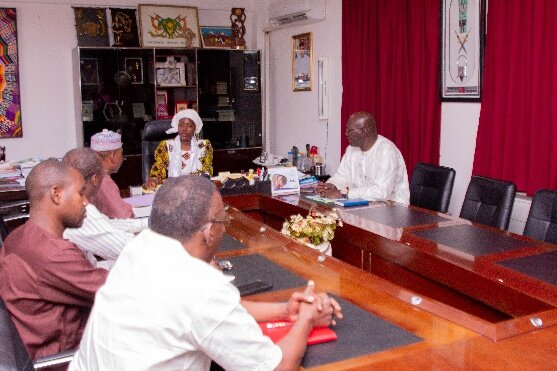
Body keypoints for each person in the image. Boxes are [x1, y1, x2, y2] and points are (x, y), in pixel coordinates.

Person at [70, 175, 342, 370]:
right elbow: (278, 366)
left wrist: (286, 311)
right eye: (223, 222)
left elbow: (213, 312)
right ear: (211, 231)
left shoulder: (139, 248)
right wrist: (306, 319)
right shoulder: (201, 286)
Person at [0, 159, 108, 360]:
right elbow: (118, 290)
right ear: (56, 194)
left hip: (40, 349)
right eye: (80, 193)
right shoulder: (53, 253)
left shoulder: (18, 236)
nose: (86, 201)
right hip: (66, 359)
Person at [62, 148, 148, 270]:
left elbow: (105, 224)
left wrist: (149, 223)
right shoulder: (77, 211)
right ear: (95, 179)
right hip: (87, 280)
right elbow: (130, 249)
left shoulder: (66, 201)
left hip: (89, 268)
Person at [316, 111, 410, 204]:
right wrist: (330, 186)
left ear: (364, 132)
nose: (346, 134)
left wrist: (344, 194)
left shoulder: (387, 152)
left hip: (391, 209)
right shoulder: (351, 150)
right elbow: (341, 176)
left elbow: (381, 192)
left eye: (349, 130)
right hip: (361, 205)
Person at [143, 109, 213, 191]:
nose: (184, 129)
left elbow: (206, 171)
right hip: (172, 191)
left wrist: (186, 182)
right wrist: (154, 180)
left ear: (195, 128)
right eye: (181, 125)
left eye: (189, 126)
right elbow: (159, 167)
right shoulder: (166, 146)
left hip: (196, 190)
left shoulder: (204, 145)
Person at [88, 129, 134, 218]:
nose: (122, 158)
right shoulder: (103, 180)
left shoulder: (89, 173)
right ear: (112, 155)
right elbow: (124, 217)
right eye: (121, 153)